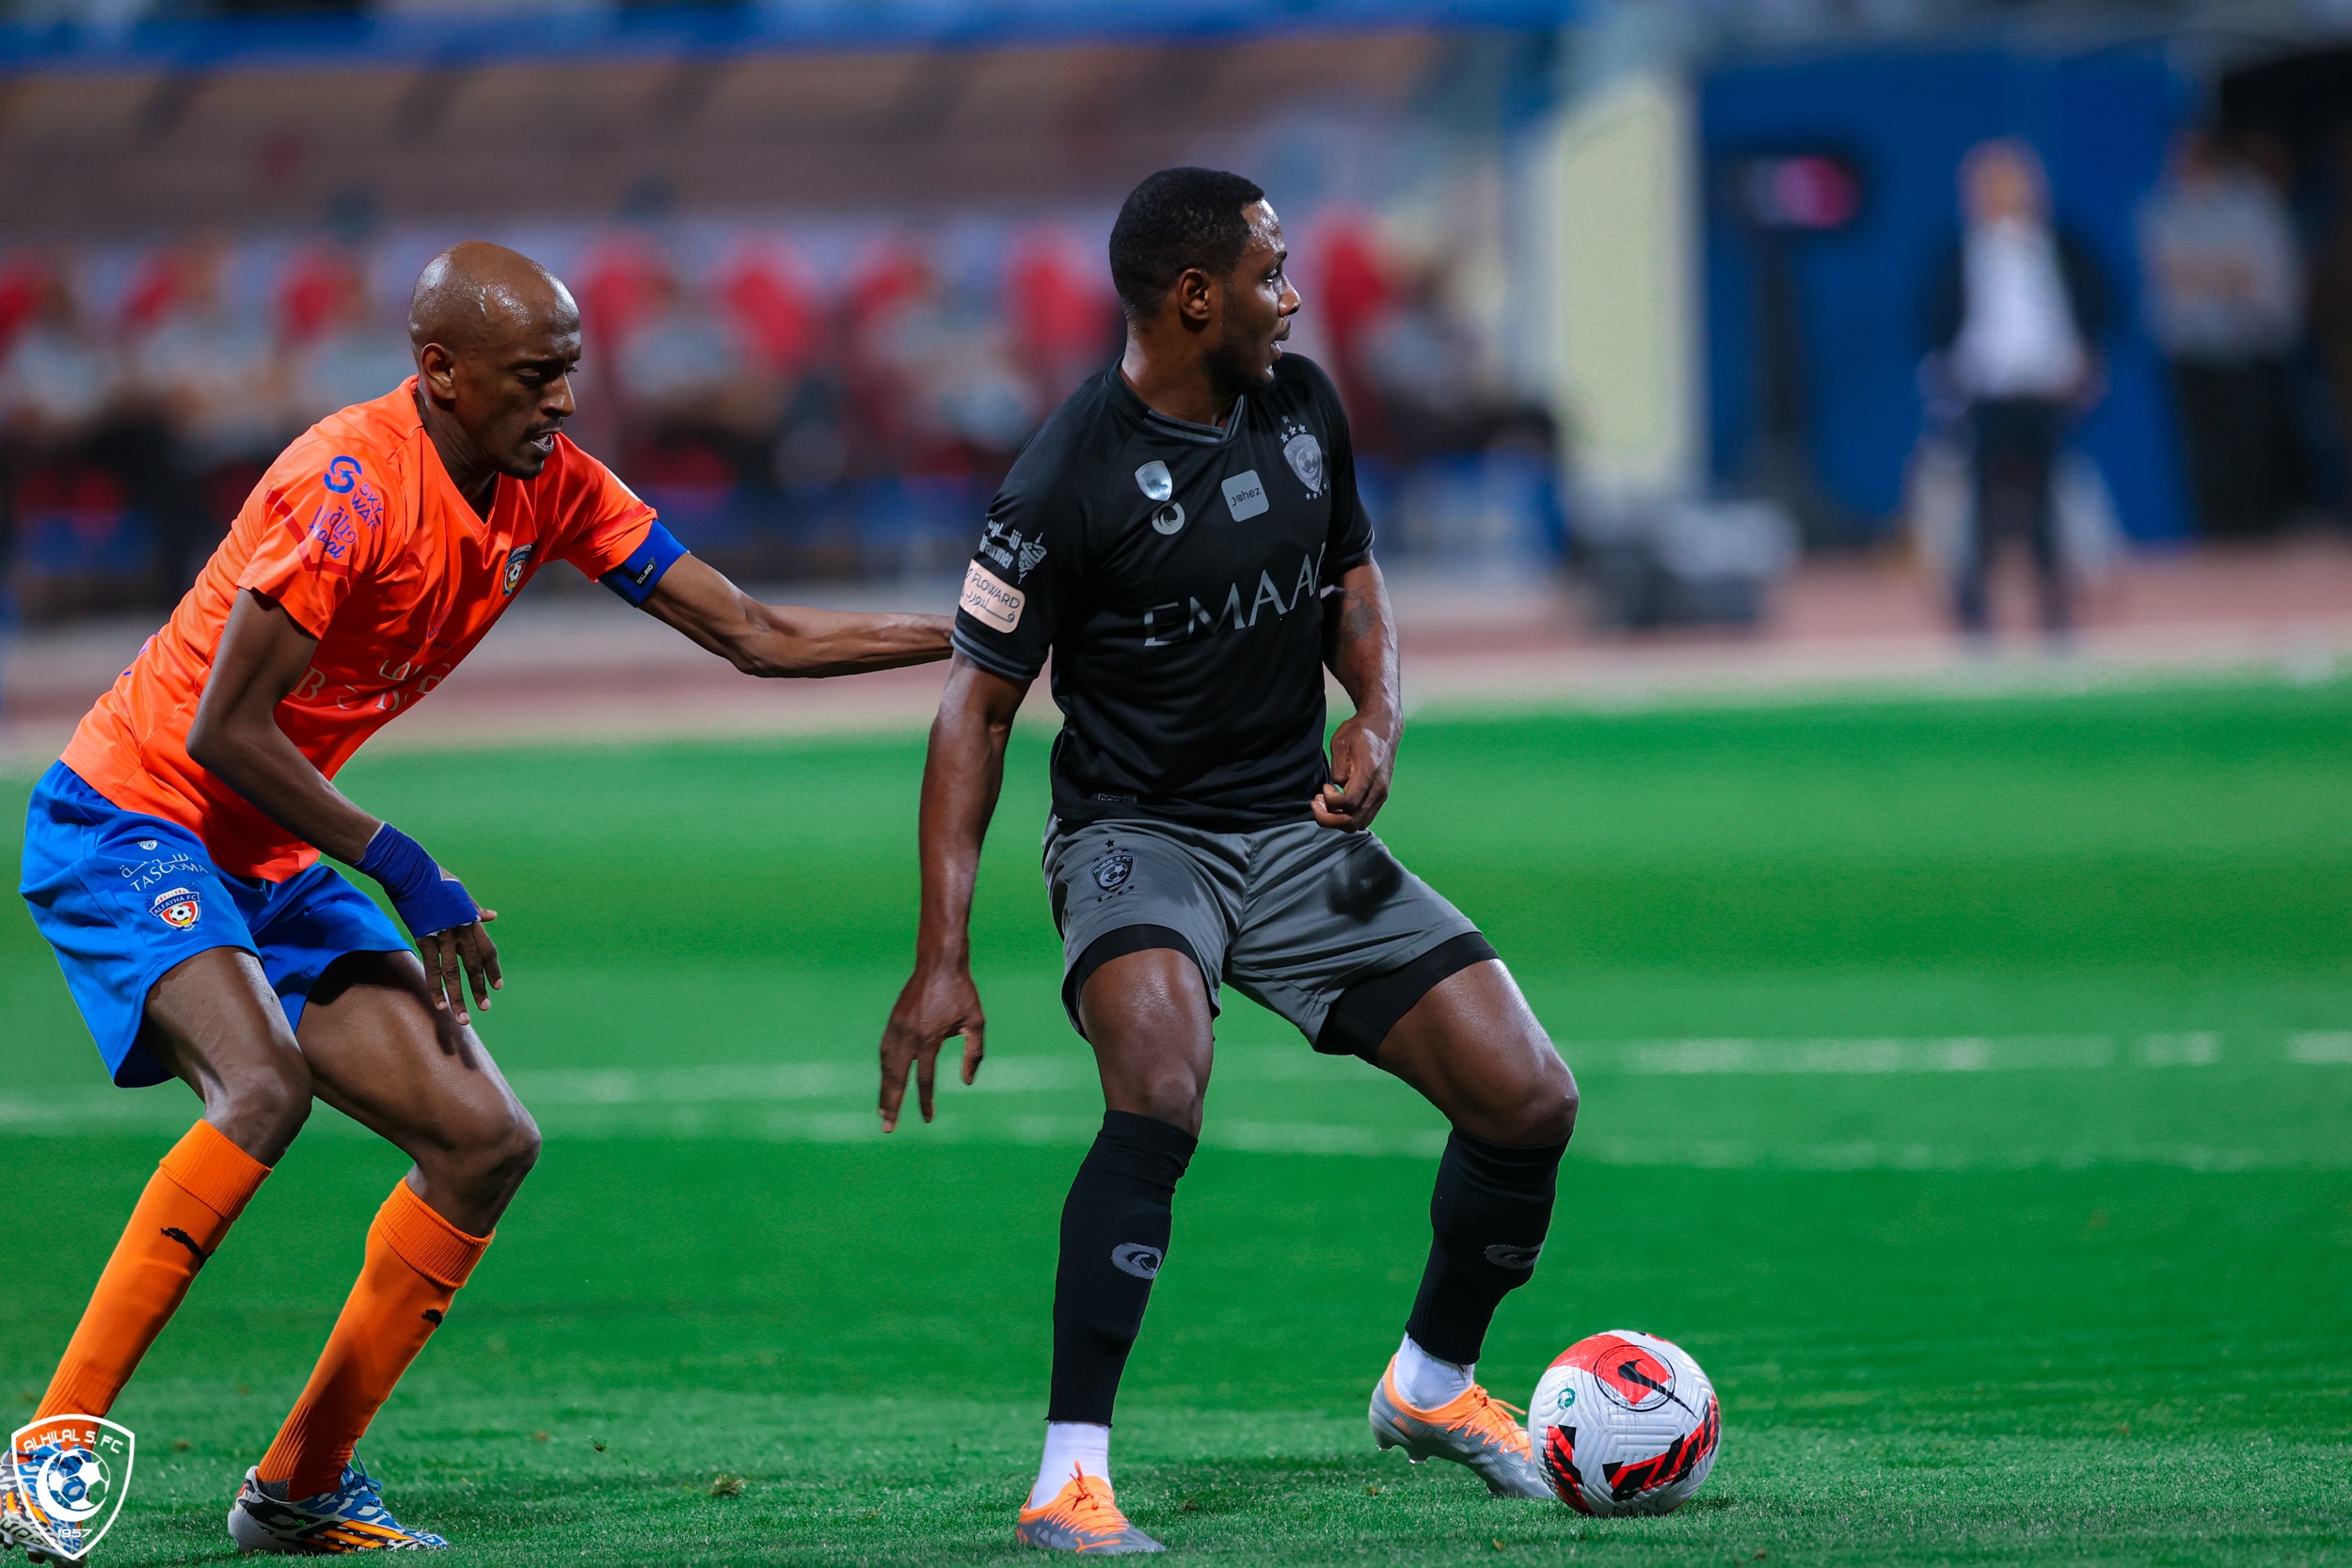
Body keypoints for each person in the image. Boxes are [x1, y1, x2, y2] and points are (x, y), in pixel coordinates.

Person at [6, 242, 951, 1560]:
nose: (563, 400)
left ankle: (300, 1483)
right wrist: (403, 863)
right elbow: (225, 727)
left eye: (570, 371)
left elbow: (752, 630)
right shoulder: (347, 487)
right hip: (132, 817)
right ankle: (45, 1452)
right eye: (535, 375)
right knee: (262, 1085)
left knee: (484, 1138)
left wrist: (977, 638)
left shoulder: (549, 481)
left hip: (269, 847)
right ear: (441, 370)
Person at [877, 168, 1578, 1555]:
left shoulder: (1303, 407)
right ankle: (1069, 1475)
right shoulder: (1062, 477)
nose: (1294, 296)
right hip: (1138, 837)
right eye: (1270, 272)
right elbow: (976, 711)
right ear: (1196, 296)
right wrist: (941, 954)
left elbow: (1352, 579)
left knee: (1528, 1097)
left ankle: (1431, 1382)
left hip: (1297, 829)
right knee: (1157, 1088)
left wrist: (1375, 716)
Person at [1926, 139, 2109, 641]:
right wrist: (1950, 376)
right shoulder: (1961, 253)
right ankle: (1974, 607)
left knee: (2050, 499)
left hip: (2046, 389)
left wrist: (2087, 361)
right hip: (1985, 391)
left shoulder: (2060, 246)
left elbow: (2098, 301)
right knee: (1980, 503)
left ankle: (2055, 607)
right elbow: (1935, 319)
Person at [2139, 128, 2310, 540]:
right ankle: (2218, 538)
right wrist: (2223, 271)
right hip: (2191, 349)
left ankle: (2261, 534)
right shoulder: (2164, 208)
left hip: (2248, 345)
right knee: (2205, 449)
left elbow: (2257, 275)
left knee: (2254, 444)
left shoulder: (2252, 205)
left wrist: (2204, 272)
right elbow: (2170, 273)